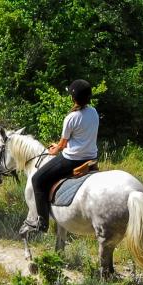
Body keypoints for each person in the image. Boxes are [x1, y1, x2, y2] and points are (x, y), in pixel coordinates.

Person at [27, 79, 99, 234]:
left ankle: (42, 222)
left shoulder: (71, 118)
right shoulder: (93, 112)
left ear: (73, 98)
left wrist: (54, 149)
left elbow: (61, 146)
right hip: (91, 158)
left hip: (72, 160)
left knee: (37, 180)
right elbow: (79, 138)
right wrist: (61, 146)